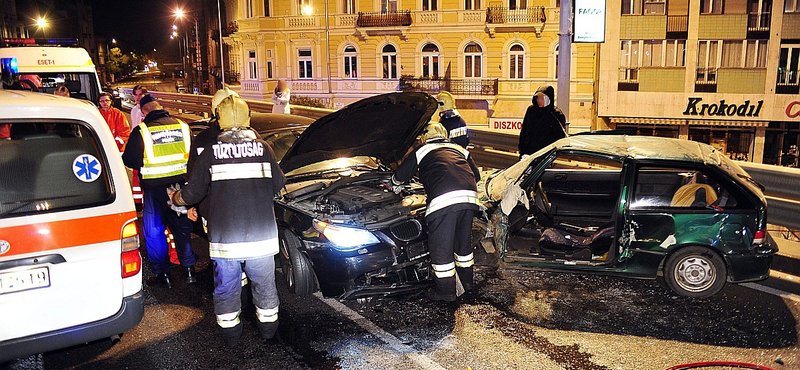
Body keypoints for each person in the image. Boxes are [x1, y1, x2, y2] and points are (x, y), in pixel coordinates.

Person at [170, 93, 285, 347]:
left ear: (219, 120)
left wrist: (176, 198)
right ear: (248, 119)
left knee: (227, 289)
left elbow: (192, 193)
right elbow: (278, 184)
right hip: (262, 239)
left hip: (226, 241)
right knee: (265, 286)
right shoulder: (263, 148)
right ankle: (268, 332)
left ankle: (231, 337)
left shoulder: (212, 151)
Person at [391, 123, 481, 302]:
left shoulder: (422, 150)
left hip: (444, 200)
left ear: (425, 137)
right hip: (469, 198)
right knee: (463, 244)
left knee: (441, 247)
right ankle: (467, 283)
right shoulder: (458, 148)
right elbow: (476, 176)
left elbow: (399, 176)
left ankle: (445, 293)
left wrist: (393, 185)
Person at [122, 94, 198, 288]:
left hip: (155, 192)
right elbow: (193, 158)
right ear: (160, 107)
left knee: (155, 231)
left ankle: (163, 274)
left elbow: (129, 160)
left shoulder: (142, 131)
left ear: (144, 112)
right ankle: (189, 270)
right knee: (181, 229)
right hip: (180, 190)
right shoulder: (182, 126)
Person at [518, 85, 567, 159]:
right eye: (538, 98)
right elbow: (524, 130)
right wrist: (522, 150)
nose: (539, 101)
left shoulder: (556, 115)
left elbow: (559, 137)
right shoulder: (531, 110)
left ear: (548, 99)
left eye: (542, 98)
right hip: (527, 154)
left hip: (544, 156)